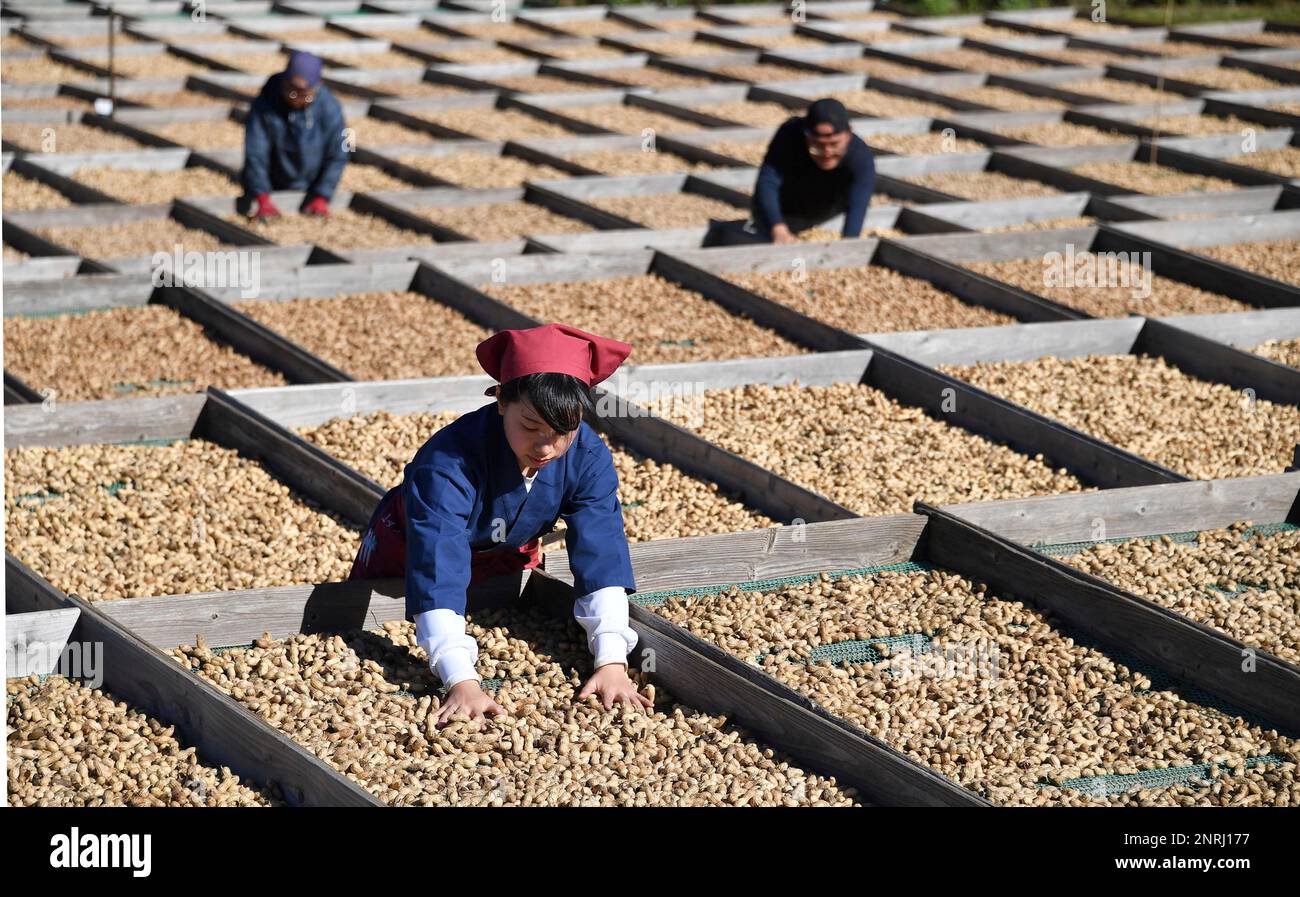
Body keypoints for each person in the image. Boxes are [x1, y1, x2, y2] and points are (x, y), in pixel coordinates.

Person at [348, 323, 651, 728]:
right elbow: (438, 563)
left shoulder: (588, 457)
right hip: (407, 552)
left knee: (505, 599)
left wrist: (612, 659)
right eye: (530, 427)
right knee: (374, 616)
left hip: (506, 551)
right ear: (501, 402)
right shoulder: (447, 462)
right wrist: (461, 680)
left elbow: (602, 550)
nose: (546, 447)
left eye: (563, 431)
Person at [749, 97, 876, 243]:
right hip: (786, 206)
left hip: (824, 211)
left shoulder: (860, 157)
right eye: (818, 145)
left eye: (834, 144)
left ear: (848, 136)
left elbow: (858, 205)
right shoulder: (789, 134)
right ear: (806, 136)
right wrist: (777, 227)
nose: (827, 152)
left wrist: (847, 243)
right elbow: (768, 181)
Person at [239, 51, 348, 219]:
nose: (295, 98)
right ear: (283, 81)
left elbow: (339, 153)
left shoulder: (330, 108)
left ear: (317, 86)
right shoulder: (266, 103)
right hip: (273, 180)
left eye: (303, 94)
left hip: (311, 184)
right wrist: (262, 197)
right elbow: (256, 151)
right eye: (290, 90)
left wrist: (322, 195)